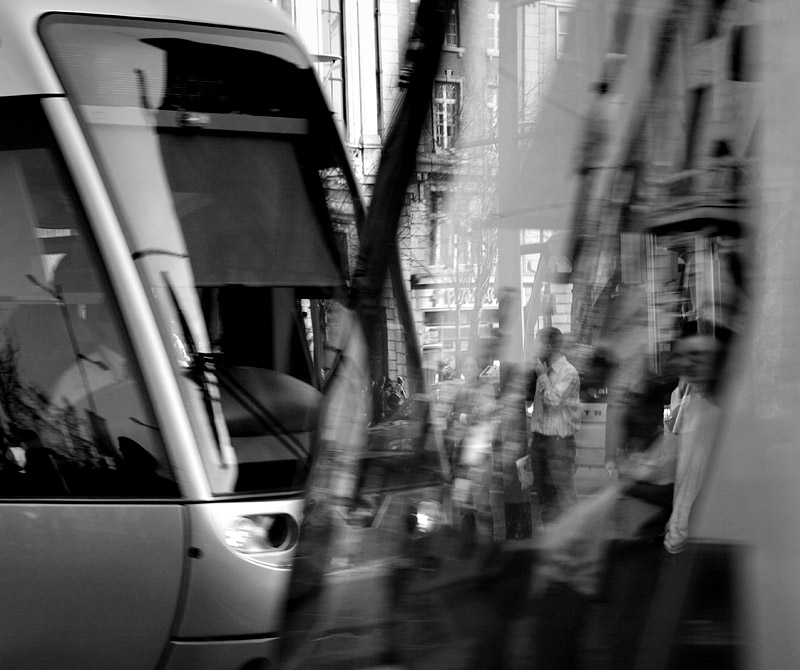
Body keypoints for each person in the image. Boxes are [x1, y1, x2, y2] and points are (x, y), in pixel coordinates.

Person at [528, 326, 581, 526]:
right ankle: (551, 541)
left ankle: (576, 541)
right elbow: (539, 411)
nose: (536, 347)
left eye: (539, 342)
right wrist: (532, 439)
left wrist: (541, 376)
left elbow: (553, 402)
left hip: (559, 444)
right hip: (540, 441)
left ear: (550, 346)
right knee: (544, 499)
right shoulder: (543, 371)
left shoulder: (568, 373)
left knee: (565, 497)